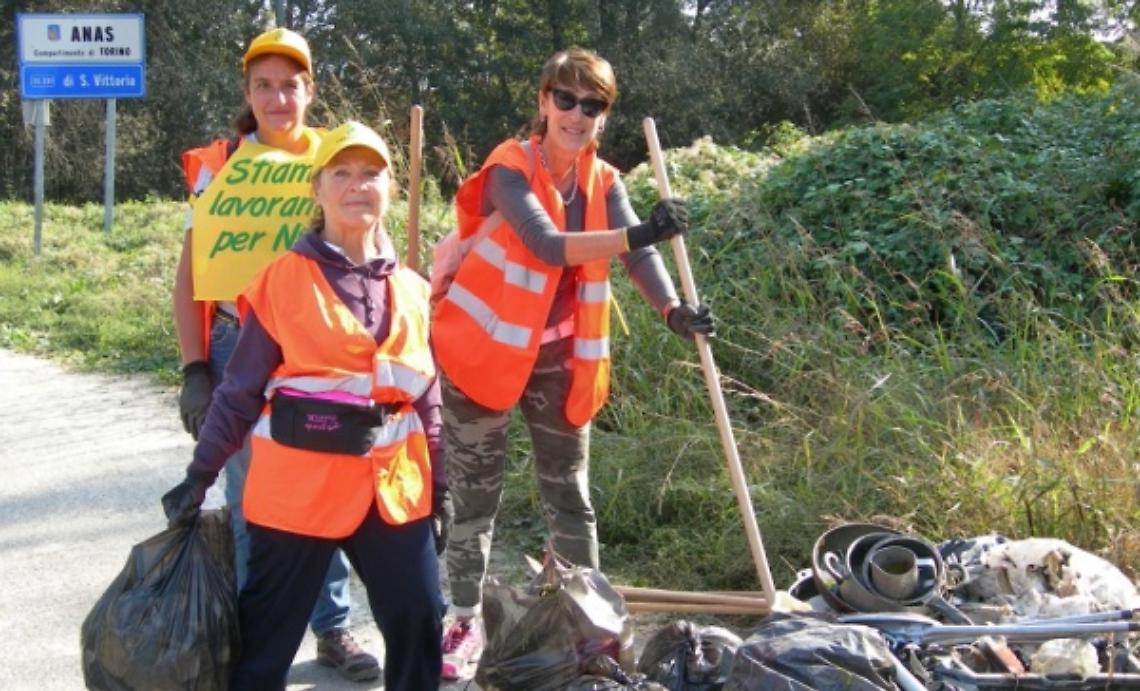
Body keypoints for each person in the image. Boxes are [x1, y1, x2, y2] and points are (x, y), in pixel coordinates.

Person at [430, 47, 714, 680]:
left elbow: (640, 260)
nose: (577, 114)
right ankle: (463, 621)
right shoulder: (509, 167)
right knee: (477, 499)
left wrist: (672, 311)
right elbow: (546, 244)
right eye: (566, 98)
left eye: (593, 105)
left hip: (558, 358)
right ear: (543, 101)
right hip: (481, 355)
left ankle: (587, 622)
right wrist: (641, 234)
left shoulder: (604, 182)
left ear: (603, 116)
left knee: (571, 496)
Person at [162, 121, 448, 690]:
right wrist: (200, 476)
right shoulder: (281, 281)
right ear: (317, 190)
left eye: (371, 173)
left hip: (392, 490)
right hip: (298, 494)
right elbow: (238, 393)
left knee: (420, 620)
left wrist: (441, 486)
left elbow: (428, 399)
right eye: (341, 172)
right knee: (265, 643)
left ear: (391, 188)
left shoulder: (414, 289)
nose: (357, 185)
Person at [170, 27, 379, 682]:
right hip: (238, 339)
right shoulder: (220, 163)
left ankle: (333, 628)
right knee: (253, 492)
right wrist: (194, 366)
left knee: (329, 480)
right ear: (248, 92)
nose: (277, 96)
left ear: (309, 90)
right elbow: (189, 272)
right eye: (264, 84)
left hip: (318, 341)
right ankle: (257, 631)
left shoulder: (333, 155)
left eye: (290, 84)